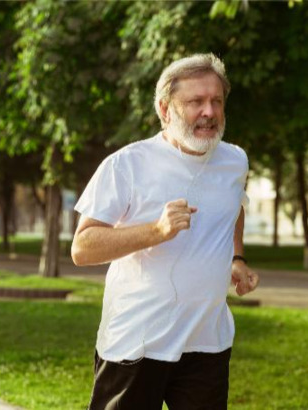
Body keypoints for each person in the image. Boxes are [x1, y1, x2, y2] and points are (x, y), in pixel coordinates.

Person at [71, 53, 259, 410]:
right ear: (165, 108)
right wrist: (156, 231)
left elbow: (234, 206)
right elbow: (82, 247)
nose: (209, 112)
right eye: (195, 102)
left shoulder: (235, 160)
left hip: (207, 341)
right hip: (137, 343)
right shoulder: (127, 165)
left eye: (216, 101)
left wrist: (236, 257)